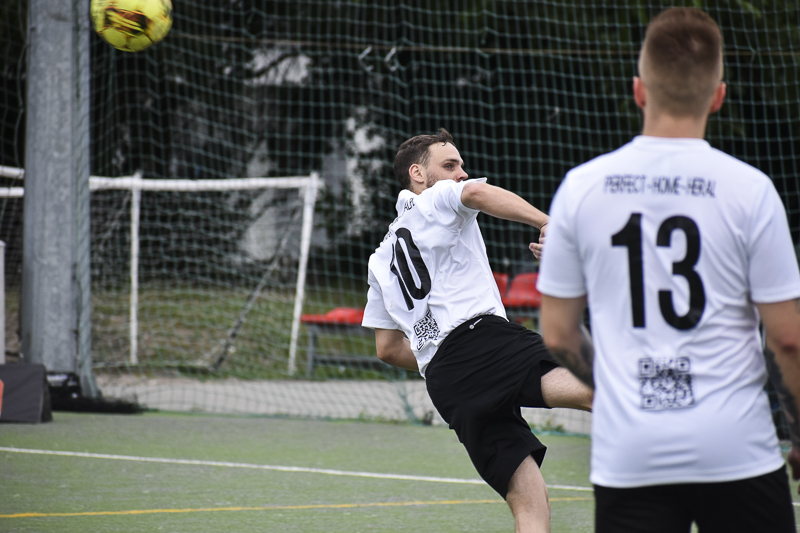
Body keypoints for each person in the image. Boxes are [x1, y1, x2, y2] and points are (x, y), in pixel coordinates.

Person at [536, 7, 800, 533]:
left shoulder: (582, 187)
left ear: (639, 91)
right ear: (718, 97)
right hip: (736, 447)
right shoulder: (750, 190)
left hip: (631, 453)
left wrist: (618, 389)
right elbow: (787, 340)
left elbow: (559, 334)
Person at [361, 128, 592, 532]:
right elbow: (478, 194)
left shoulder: (379, 259)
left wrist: (443, 356)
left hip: (446, 381)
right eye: (450, 165)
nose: (462, 174)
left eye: (462, 166)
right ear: (418, 174)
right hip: (483, 341)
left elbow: (388, 349)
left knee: (529, 503)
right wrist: (547, 223)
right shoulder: (435, 199)